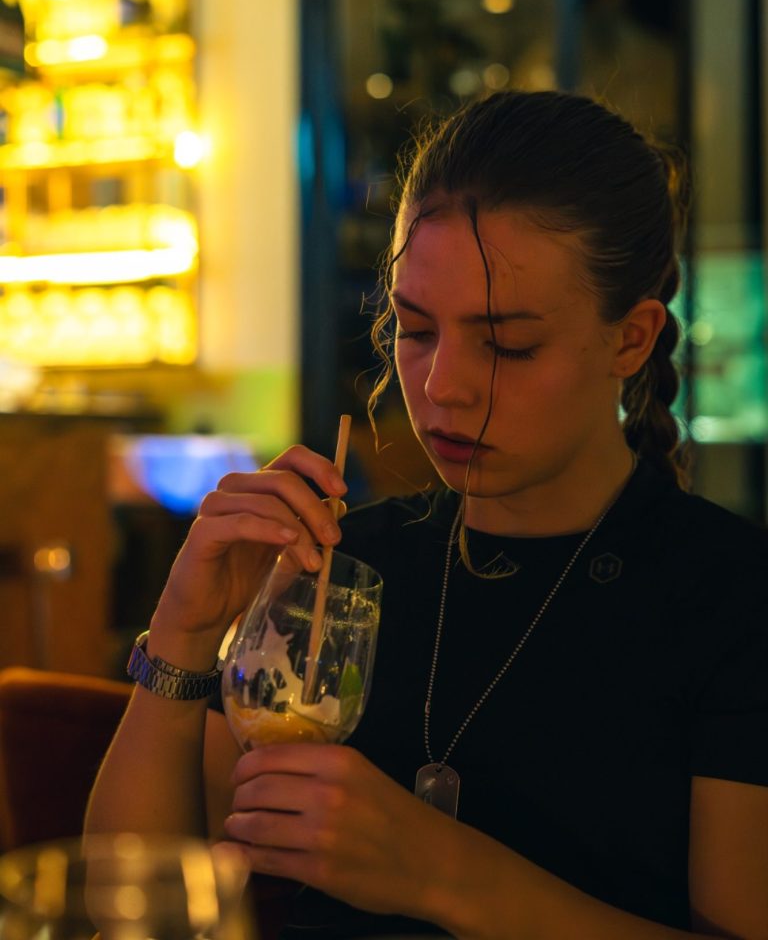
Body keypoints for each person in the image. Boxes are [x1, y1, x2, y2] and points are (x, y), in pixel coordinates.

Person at [86, 90, 768, 940]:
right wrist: (183, 636)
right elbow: (128, 904)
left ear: (630, 340)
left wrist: (445, 874)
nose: (442, 386)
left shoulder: (730, 599)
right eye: (413, 330)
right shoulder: (346, 569)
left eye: (508, 344)